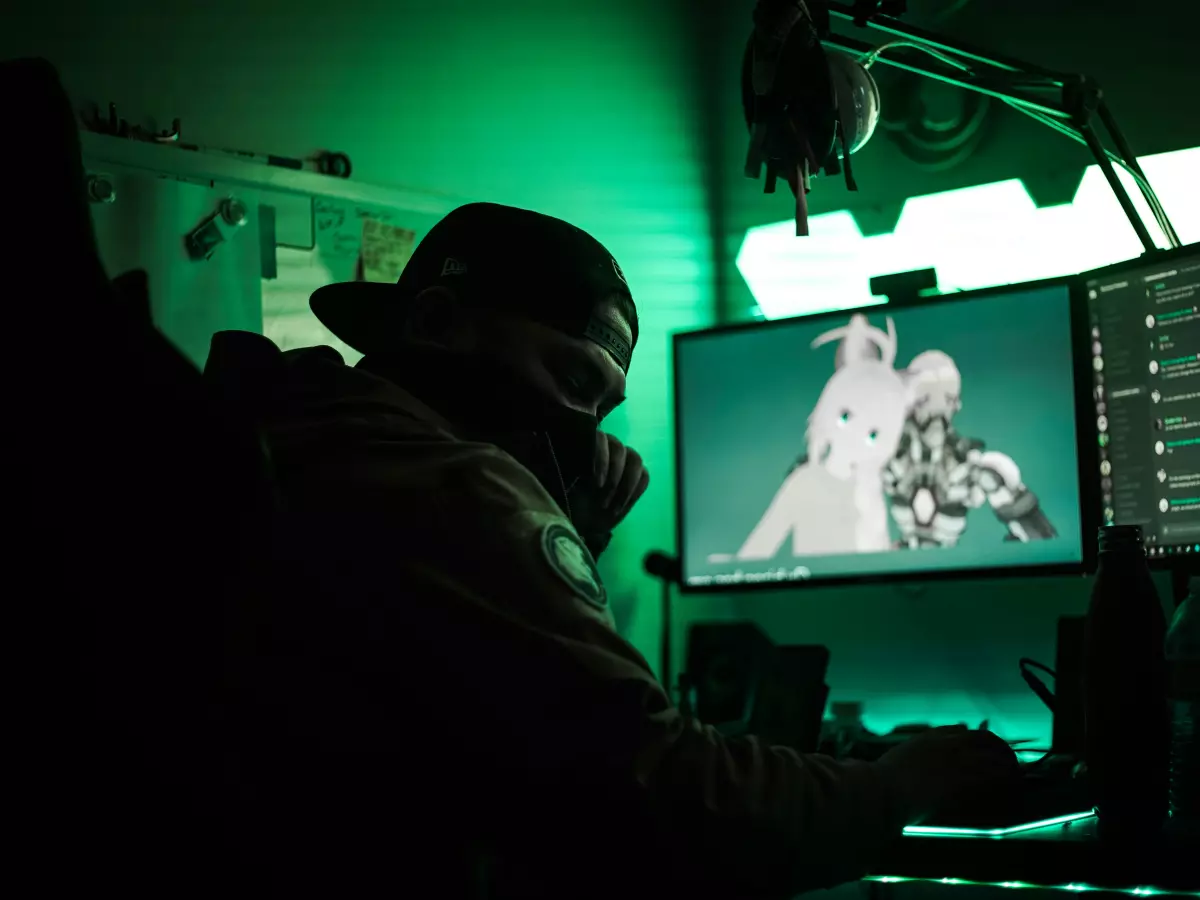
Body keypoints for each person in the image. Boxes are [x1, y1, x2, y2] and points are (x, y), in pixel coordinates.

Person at [231, 202, 1019, 899]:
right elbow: (673, 798)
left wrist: (577, 534)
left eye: (603, 405)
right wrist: (904, 782)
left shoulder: (300, 433)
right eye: (572, 381)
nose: (584, 433)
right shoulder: (454, 487)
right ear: (436, 325)